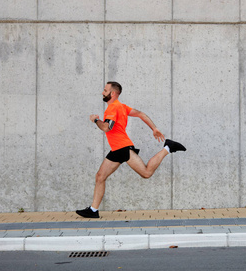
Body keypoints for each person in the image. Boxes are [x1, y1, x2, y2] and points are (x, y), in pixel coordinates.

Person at [76, 82, 186, 218]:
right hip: (120, 148)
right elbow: (141, 114)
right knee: (101, 176)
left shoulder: (112, 108)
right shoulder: (122, 107)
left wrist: (95, 120)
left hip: (121, 148)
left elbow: (106, 127)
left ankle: (168, 147)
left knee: (143, 173)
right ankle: (93, 210)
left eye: (105, 90)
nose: (103, 92)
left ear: (113, 93)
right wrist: (154, 128)